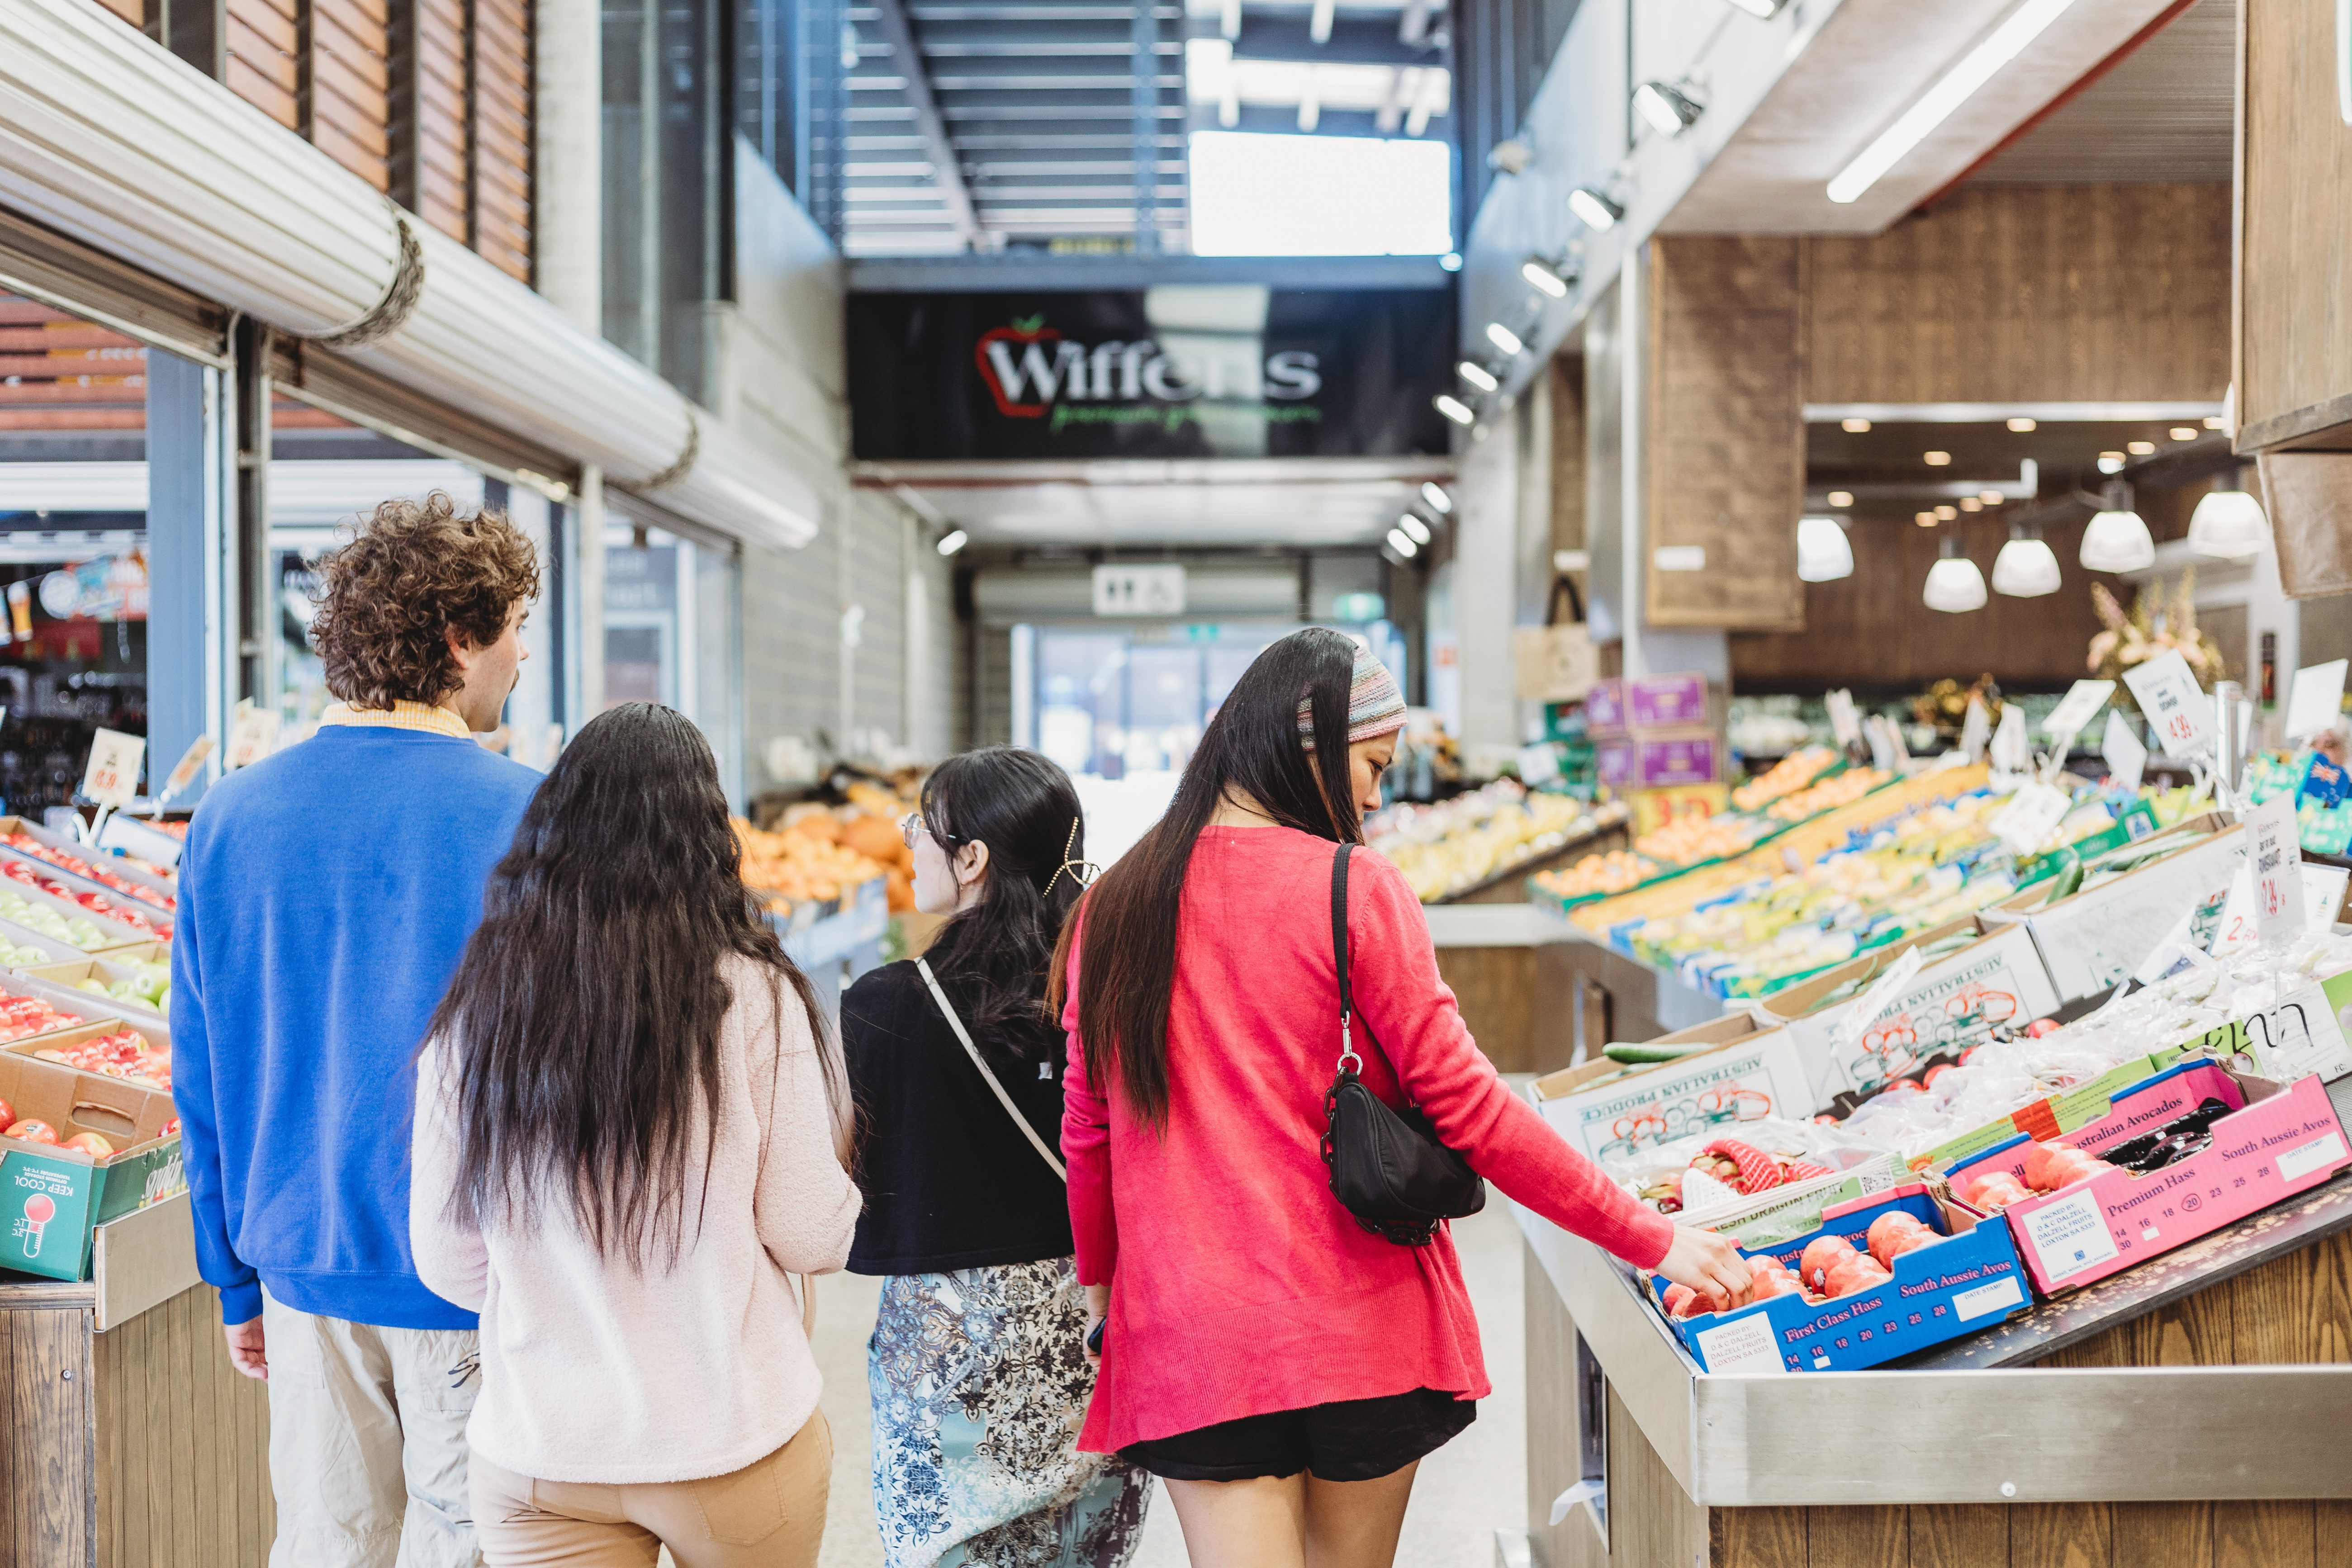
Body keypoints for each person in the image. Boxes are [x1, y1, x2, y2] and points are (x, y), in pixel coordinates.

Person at [1054, 630, 1751, 1568]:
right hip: (1355, 1324)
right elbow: (1469, 1107)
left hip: (1192, 1332)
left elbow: (1088, 1130)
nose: (1378, 797)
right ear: (1312, 748)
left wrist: (1101, 1283)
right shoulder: (1353, 887)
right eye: (1372, 766)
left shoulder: (1115, 904)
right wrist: (1647, 1233)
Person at [173, 493, 542, 1568]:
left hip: (299, 1258)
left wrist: (231, 1275)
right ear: (458, 637)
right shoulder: (533, 815)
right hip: (476, 1267)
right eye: (515, 627)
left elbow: (199, 1070)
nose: (520, 657)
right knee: (471, 1542)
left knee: (327, 1543)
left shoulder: (231, 818)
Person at [409, 703, 861, 1568]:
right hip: (732, 1440)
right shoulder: (755, 994)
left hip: (543, 1456)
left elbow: (449, 1262)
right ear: (709, 835)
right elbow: (811, 1232)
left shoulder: (477, 1013)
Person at [842, 747, 1152, 1568]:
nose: (908, 844)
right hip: (1094, 1325)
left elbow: (844, 1173)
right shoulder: (1115, 993)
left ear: (971, 858)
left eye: (920, 827)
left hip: (949, 1363)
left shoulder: (881, 1008)